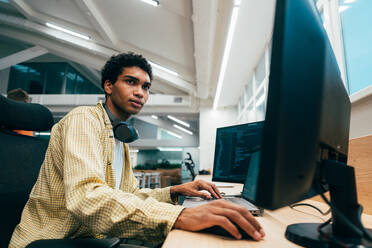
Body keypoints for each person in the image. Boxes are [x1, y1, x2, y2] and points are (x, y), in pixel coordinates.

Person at [9, 52, 265, 248]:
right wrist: (179, 216)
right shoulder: (83, 120)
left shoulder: (120, 136)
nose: (140, 92)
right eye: (131, 82)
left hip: (93, 237)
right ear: (108, 86)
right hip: (54, 240)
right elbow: (86, 198)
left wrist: (175, 192)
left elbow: (129, 194)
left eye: (146, 87)